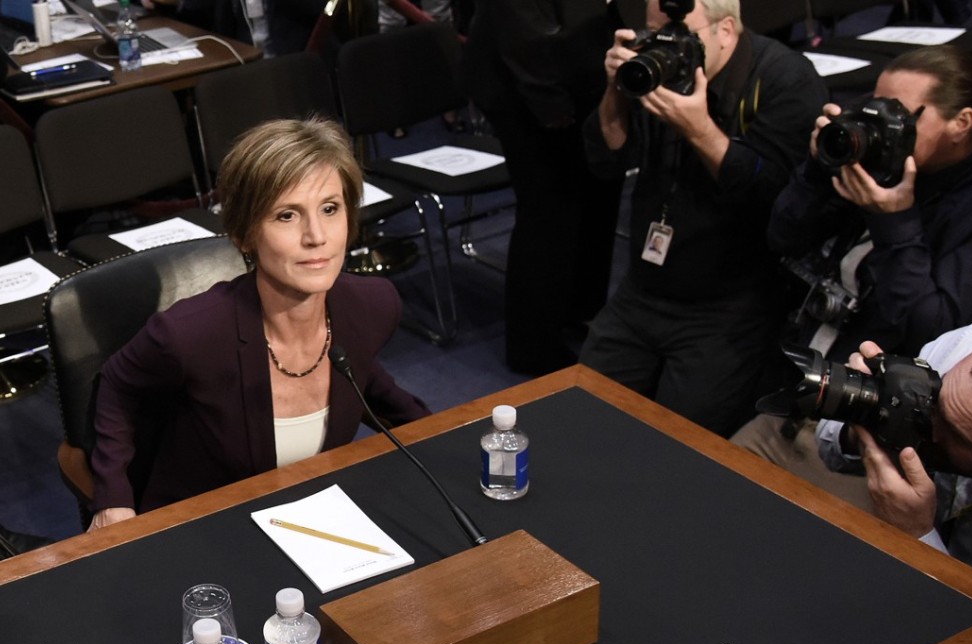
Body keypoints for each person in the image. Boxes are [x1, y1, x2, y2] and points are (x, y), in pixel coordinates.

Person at [88, 118, 429, 531]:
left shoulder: (373, 305)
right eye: (287, 215)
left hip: (314, 513)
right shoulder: (190, 333)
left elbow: (361, 374)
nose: (316, 235)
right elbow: (117, 386)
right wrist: (113, 498)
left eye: (330, 208)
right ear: (245, 234)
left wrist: (441, 434)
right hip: (209, 526)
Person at [579, 0, 826, 436]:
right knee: (581, 413)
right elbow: (605, 160)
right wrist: (616, 88)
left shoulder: (786, 79)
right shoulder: (655, 70)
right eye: (656, 33)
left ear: (726, 31)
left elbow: (779, 204)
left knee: (682, 447)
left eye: (681, 35)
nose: (668, 47)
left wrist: (700, 130)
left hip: (729, 303)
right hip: (644, 285)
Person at [767, 44, 972, 365]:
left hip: (876, 375)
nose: (881, 127)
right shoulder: (875, 155)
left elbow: (935, 335)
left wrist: (895, 220)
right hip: (799, 345)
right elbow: (784, 238)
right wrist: (817, 170)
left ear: (962, 122)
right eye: (877, 106)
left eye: (898, 116)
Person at [772, 319, 972, 588]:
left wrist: (918, 535)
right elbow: (829, 444)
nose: (931, 432)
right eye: (935, 403)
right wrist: (864, 422)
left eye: (958, 435)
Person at [465, 0, 626, 375]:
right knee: (551, 210)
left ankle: (580, 312)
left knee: (599, 196)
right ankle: (533, 346)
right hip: (528, 88)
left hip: (583, 71)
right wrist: (553, 107)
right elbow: (522, 37)